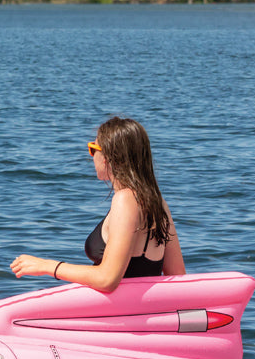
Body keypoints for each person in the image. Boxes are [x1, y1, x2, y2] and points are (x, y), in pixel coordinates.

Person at [10, 115, 184, 290]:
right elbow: (177, 277)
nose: (91, 156)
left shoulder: (125, 200)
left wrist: (46, 266)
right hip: (135, 310)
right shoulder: (159, 204)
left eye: (93, 149)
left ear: (107, 157)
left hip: (110, 313)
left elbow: (107, 279)